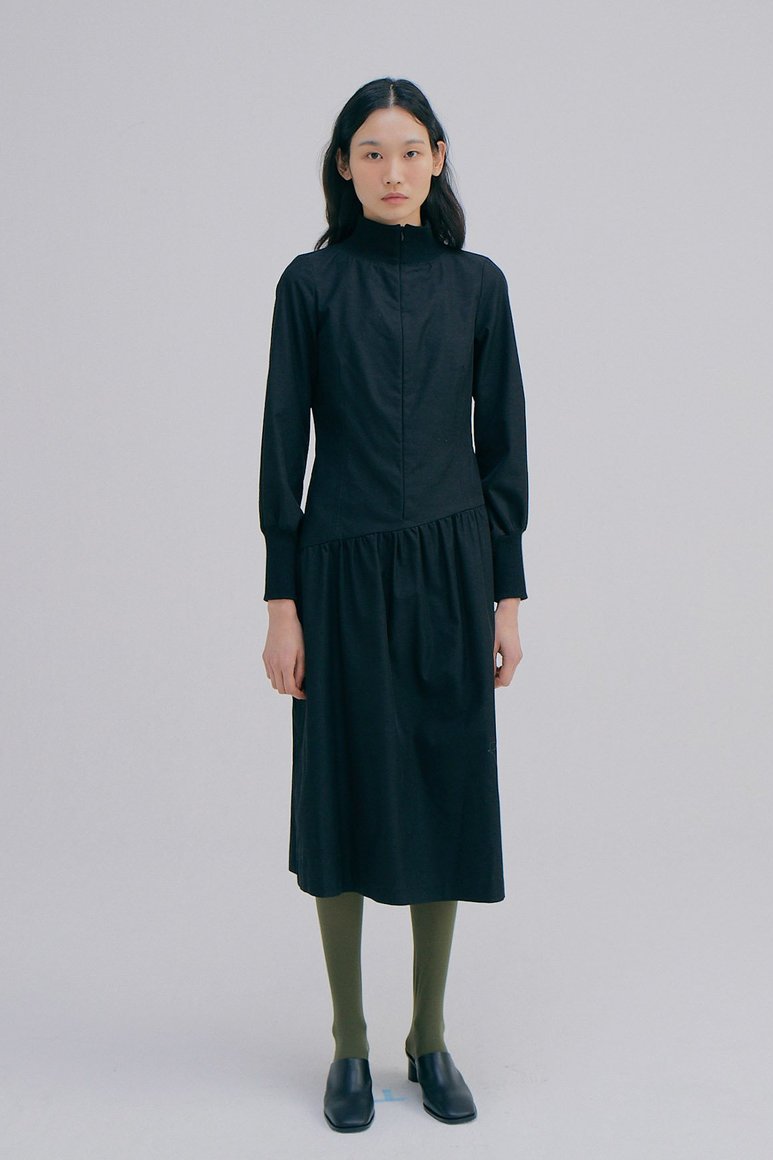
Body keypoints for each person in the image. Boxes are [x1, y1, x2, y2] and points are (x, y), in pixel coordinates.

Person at [258, 76, 529, 1132]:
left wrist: (506, 592)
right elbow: (283, 445)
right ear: (343, 167)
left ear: (438, 158)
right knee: (340, 788)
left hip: (453, 568)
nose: (392, 170)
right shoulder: (310, 285)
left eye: (410, 150)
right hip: (338, 568)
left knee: (442, 785)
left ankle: (428, 1033)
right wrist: (282, 601)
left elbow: (502, 444)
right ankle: (347, 1041)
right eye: (370, 152)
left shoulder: (478, 285)